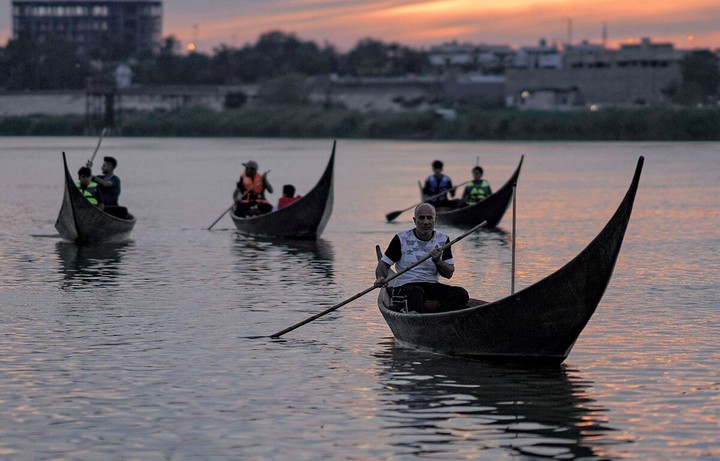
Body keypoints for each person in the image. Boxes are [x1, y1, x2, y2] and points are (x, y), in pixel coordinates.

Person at [374, 203, 469, 313]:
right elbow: (384, 264)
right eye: (421, 218)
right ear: (415, 220)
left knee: (461, 294)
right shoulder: (401, 238)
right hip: (405, 287)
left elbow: (449, 274)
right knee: (416, 293)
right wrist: (380, 277)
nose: (425, 222)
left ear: (435, 220)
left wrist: (438, 261)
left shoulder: (443, 240)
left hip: (431, 286)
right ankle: (410, 308)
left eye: (429, 218)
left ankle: (436, 311)